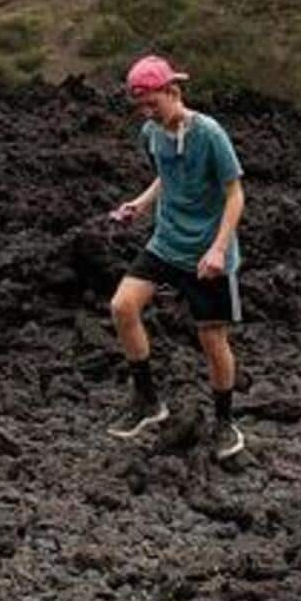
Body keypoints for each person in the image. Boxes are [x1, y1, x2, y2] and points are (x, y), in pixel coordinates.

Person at [103, 55, 249, 460]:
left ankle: (225, 422)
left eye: (154, 103)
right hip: (166, 242)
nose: (148, 113)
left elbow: (235, 194)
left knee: (211, 339)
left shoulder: (209, 134)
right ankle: (148, 401)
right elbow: (166, 178)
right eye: (141, 107)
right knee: (122, 306)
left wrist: (219, 248)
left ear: (174, 92)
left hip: (208, 251)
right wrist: (140, 205)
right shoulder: (152, 133)